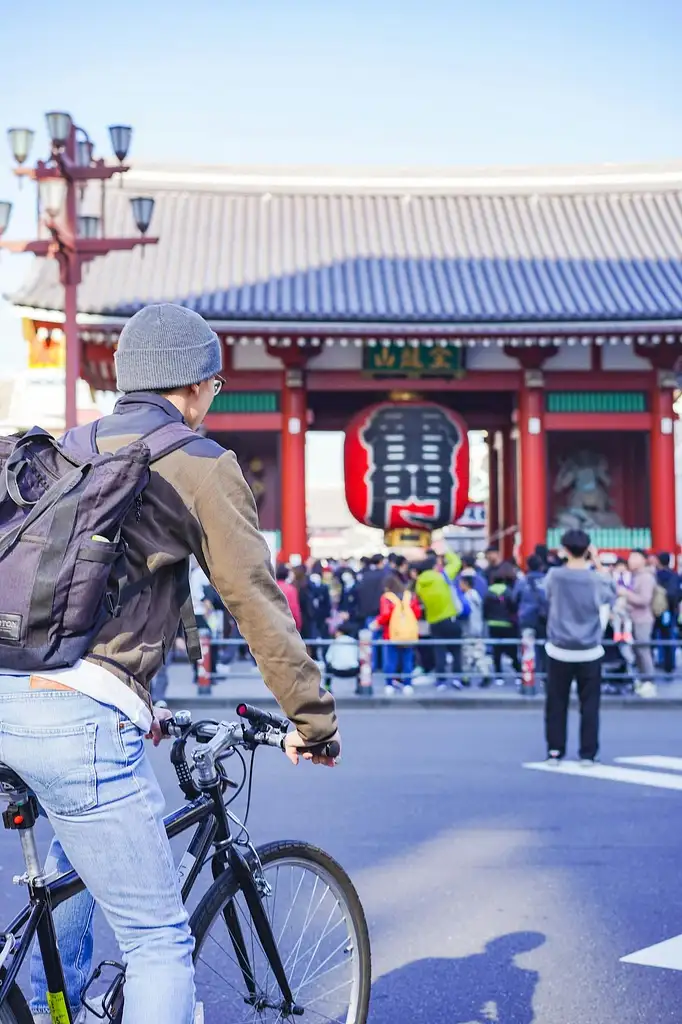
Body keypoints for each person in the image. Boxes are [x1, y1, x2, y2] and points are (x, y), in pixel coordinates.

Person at [0, 303, 339, 1024]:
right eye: (213, 388)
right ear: (193, 385)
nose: (212, 404)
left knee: (78, 863)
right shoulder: (198, 463)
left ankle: (51, 1009)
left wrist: (142, 701)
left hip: (12, 694)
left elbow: (89, 597)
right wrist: (311, 719)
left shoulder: (75, 447)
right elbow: (254, 600)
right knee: (158, 941)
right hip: (80, 717)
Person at [543, 530, 615, 764]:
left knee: (556, 703)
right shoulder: (596, 579)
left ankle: (555, 750)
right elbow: (611, 594)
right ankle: (588, 753)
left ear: (564, 549)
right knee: (590, 706)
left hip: (559, 648)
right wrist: (596, 562)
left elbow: (546, 597)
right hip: (590, 649)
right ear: (588, 549)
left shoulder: (554, 576)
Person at [414, 549, 464, 690]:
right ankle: (457, 679)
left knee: (439, 651)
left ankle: (441, 680)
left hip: (434, 621)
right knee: (456, 650)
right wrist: (446, 551)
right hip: (450, 618)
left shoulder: (419, 585)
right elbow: (456, 562)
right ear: (434, 566)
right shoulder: (442, 577)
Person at [373, 573, 421, 695]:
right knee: (407, 659)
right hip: (408, 634)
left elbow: (385, 615)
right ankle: (407, 684)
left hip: (391, 634)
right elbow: (417, 613)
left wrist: (376, 623)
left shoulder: (387, 598)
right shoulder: (409, 596)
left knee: (390, 660)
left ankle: (390, 684)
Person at [621, 549, 656, 687]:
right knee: (637, 650)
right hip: (633, 618)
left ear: (643, 560)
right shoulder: (634, 576)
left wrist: (625, 593)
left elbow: (644, 600)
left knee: (643, 650)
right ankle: (642, 680)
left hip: (642, 620)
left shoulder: (646, 577)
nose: (630, 560)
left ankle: (649, 680)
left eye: (635, 557)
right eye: (630, 557)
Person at [483, 563, 520, 685]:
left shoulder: (488, 592)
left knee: (496, 651)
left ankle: (499, 676)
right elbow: (513, 607)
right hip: (507, 624)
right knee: (512, 650)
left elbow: (485, 609)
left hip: (493, 625)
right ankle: (518, 673)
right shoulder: (508, 591)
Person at [513, 554, 548, 675]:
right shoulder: (547, 581)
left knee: (527, 649)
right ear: (541, 566)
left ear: (528, 566)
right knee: (545, 649)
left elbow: (514, 598)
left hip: (526, 620)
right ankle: (544, 676)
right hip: (544, 620)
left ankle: (528, 679)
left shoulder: (522, 582)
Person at [354, 553, 388, 671]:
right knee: (384, 641)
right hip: (382, 613)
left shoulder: (364, 575)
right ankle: (384, 666)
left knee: (370, 642)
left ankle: (371, 666)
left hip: (368, 613)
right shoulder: (384, 575)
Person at [459, 572, 489, 684]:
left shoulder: (467, 597)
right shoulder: (476, 595)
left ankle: (466, 678)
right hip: (477, 628)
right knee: (478, 653)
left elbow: (464, 613)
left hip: (469, 630)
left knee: (467, 654)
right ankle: (484, 674)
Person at [654, 552, 680, 676]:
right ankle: (670, 663)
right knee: (670, 636)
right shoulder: (675, 576)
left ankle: (662, 660)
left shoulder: (655, 576)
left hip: (657, 610)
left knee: (660, 636)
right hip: (671, 610)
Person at [324, 622, 360, 691]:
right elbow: (358, 657)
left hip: (337, 671)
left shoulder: (335, 641)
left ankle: (327, 688)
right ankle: (358, 687)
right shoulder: (354, 641)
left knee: (327, 667)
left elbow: (328, 658)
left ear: (340, 632)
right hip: (352, 671)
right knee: (361, 667)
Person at [276, 563, 303, 633]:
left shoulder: (269, 588)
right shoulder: (291, 589)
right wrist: (298, 625)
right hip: (286, 628)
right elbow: (294, 609)